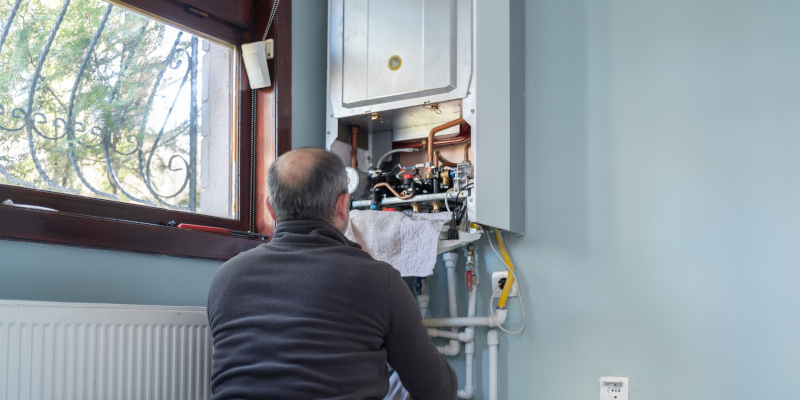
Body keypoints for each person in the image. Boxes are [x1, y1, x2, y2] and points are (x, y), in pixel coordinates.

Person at [207, 147, 457, 400]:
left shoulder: (226, 277)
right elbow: (438, 390)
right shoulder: (379, 280)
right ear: (342, 205)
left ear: (271, 209)